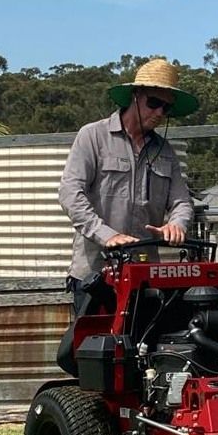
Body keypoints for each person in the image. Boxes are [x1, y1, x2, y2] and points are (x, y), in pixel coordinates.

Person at [58, 57, 199, 312]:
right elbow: (70, 193)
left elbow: (182, 202)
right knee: (96, 349)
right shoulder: (93, 136)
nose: (158, 113)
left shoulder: (165, 151)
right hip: (96, 276)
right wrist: (107, 235)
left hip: (144, 277)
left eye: (165, 109)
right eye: (153, 103)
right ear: (135, 96)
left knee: (145, 349)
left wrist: (177, 225)